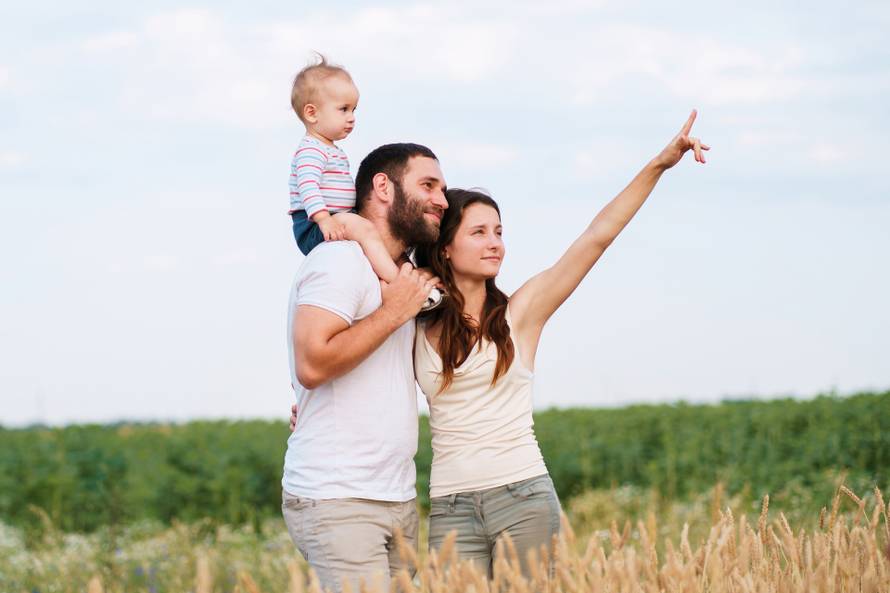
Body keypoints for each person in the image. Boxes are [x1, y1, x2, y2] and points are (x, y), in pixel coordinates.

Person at [289, 111, 709, 578]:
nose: (495, 244)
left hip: (521, 494)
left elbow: (597, 238)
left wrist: (658, 165)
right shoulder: (417, 312)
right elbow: (351, 358)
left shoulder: (522, 312)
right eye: (480, 232)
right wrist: (307, 407)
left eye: (500, 232)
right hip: (449, 507)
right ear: (446, 247)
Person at [282, 142, 447, 593]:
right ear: (383, 187)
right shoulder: (339, 259)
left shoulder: (403, 275)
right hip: (339, 495)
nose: (442, 200)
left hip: (395, 496)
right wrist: (393, 313)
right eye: (428, 185)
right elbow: (312, 364)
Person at [288, 56, 441, 308]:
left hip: (337, 217)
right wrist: (323, 218)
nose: (351, 118)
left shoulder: (331, 149)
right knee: (366, 230)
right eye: (343, 109)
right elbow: (308, 187)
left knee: (389, 247)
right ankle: (398, 284)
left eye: (354, 110)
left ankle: (406, 275)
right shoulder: (311, 150)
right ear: (312, 113)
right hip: (314, 224)